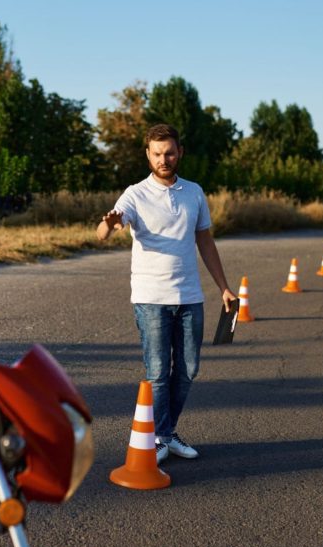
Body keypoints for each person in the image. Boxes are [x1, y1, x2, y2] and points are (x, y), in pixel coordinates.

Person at [97, 123, 237, 465]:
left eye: (170, 152)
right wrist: (110, 224)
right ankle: (160, 436)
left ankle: (167, 432)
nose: (164, 159)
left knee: (188, 369)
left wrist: (224, 287)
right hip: (151, 297)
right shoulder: (134, 194)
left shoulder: (194, 192)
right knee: (158, 371)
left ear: (180, 153)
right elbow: (104, 232)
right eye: (157, 153)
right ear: (148, 154)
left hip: (190, 296)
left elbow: (205, 240)